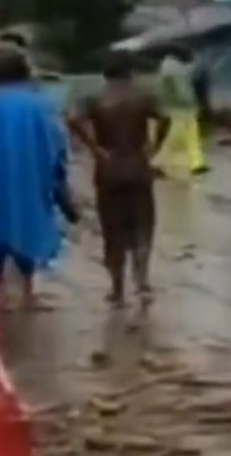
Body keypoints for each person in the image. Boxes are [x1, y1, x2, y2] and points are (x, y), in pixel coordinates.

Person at [0, 43, 74, 309]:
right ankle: (28, 292)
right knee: (28, 225)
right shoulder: (40, 104)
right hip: (28, 176)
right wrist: (57, 176)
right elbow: (56, 142)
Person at [71, 50, 167, 306]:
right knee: (142, 226)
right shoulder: (143, 95)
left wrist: (95, 149)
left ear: (105, 72)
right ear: (131, 71)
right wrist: (154, 146)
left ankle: (117, 290)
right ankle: (143, 283)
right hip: (138, 166)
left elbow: (72, 119)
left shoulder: (94, 97)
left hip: (108, 169)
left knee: (112, 230)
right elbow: (166, 118)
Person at [155, 45, 208, 177]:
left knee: (192, 135)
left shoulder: (170, 67)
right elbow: (182, 90)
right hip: (181, 107)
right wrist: (192, 102)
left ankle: (197, 164)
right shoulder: (175, 69)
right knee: (175, 137)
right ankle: (157, 163)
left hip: (179, 107)